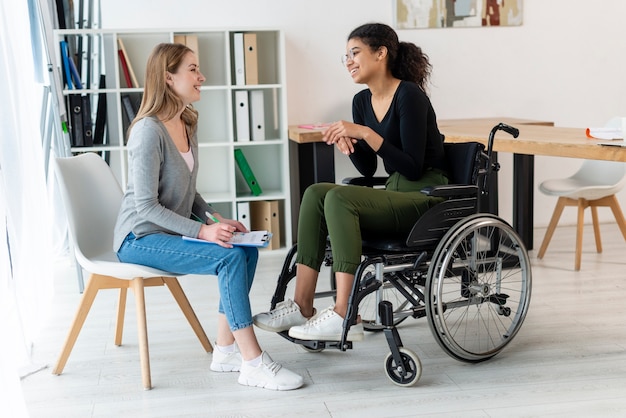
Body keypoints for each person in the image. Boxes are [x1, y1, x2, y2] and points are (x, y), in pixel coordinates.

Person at [113, 43, 303, 391]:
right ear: (168, 78)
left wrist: (218, 220)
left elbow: (189, 193)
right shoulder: (147, 131)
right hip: (139, 238)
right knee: (229, 258)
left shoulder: (186, 122)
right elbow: (145, 207)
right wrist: (203, 232)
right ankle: (253, 362)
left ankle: (226, 351)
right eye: (193, 69)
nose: (202, 76)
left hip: (167, 232)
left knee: (244, 250)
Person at [253, 23, 448, 341]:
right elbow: (369, 168)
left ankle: (345, 311)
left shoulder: (409, 95)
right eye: (345, 56)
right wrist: (350, 144)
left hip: (426, 196)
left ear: (381, 53)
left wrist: (365, 133)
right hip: (395, 194)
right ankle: (303, 305)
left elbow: (412, 167)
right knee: (317, 192)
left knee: (340, 198)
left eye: (355, 53)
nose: (349, 61)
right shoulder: (361, 101)